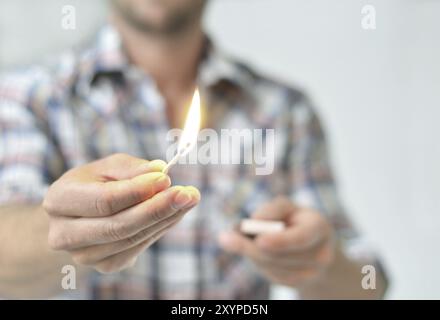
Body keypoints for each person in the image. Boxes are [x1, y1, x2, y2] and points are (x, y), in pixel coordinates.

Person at [0, 0, 387, 299]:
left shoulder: (283, 111)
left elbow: (367, 286)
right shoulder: (29, 97)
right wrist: (68, 231)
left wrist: (318, 260)